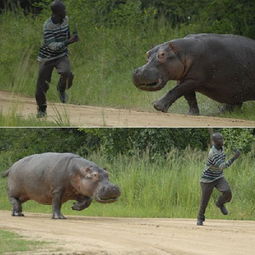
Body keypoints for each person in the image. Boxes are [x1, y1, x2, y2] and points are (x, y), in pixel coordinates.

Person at [36, 0, 78, 118]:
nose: (65, 11)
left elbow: (66, 35)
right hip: (47, 57)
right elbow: (52, 46)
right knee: (42, 84)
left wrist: (72, 38)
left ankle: (61, 89)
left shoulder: (65, 19)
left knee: (67, 73)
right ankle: (42, 109)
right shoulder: (47, 26)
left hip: (61, 55)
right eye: (63, 10)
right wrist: (68, 41)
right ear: (57, 12)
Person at [197, 132, 240, 226]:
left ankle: (220, 203)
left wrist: (234, 150)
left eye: (222, 138)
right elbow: (222, 166)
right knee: (204, 200)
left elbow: (223, 159)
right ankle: (200, 218)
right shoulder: (213, 153)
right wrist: (234, 158)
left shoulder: (221, 148)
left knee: (228, 192)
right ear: (214, 142)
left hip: (218, 176)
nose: (222, 140)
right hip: (207, 179)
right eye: (219, 139)